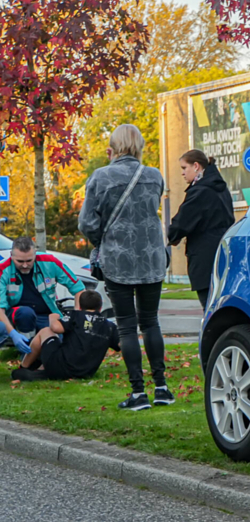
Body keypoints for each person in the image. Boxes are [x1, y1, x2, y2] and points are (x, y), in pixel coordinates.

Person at [79, 124, 173, 411]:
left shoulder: (101, 177)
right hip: (151, 258)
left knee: (127, 327)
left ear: (114, 145)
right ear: (139, 145)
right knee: (151, 322)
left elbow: (87, 223)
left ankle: (137, 393)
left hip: (118, 260)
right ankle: (162, 388)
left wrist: (102, 241)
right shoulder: (154, 176)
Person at [168, 150, 235, 310]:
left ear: (196, 166)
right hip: (223, 252)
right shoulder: (221, 189)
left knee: (210, 309)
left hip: (203, 258)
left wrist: (173, 236)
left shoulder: (200, 191)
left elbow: (182, 222)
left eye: (184, 168)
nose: (183, 173)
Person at [0, 236, 85, 355]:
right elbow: (0, 310)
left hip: (46, 315)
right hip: (17, 314)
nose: (25, 265)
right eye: (20, 261)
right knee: (26, 313)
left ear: (35, 253)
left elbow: (79, 289)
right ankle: (26, 354)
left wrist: (77, 315)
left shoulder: (49, 262)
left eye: (29, 261)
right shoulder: (2, 270)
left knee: (58, 345)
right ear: (11, 255)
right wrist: (13, 334)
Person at [13, 290, 120, 383]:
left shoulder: (75, 315)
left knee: (45, 331)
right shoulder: (110, 326)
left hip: (61, 367)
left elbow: (56, 328)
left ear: (80, 306)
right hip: (86, 372)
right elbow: (122, 345)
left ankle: (24, 367)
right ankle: (37, 370)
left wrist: (53, 317)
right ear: (100, 307)